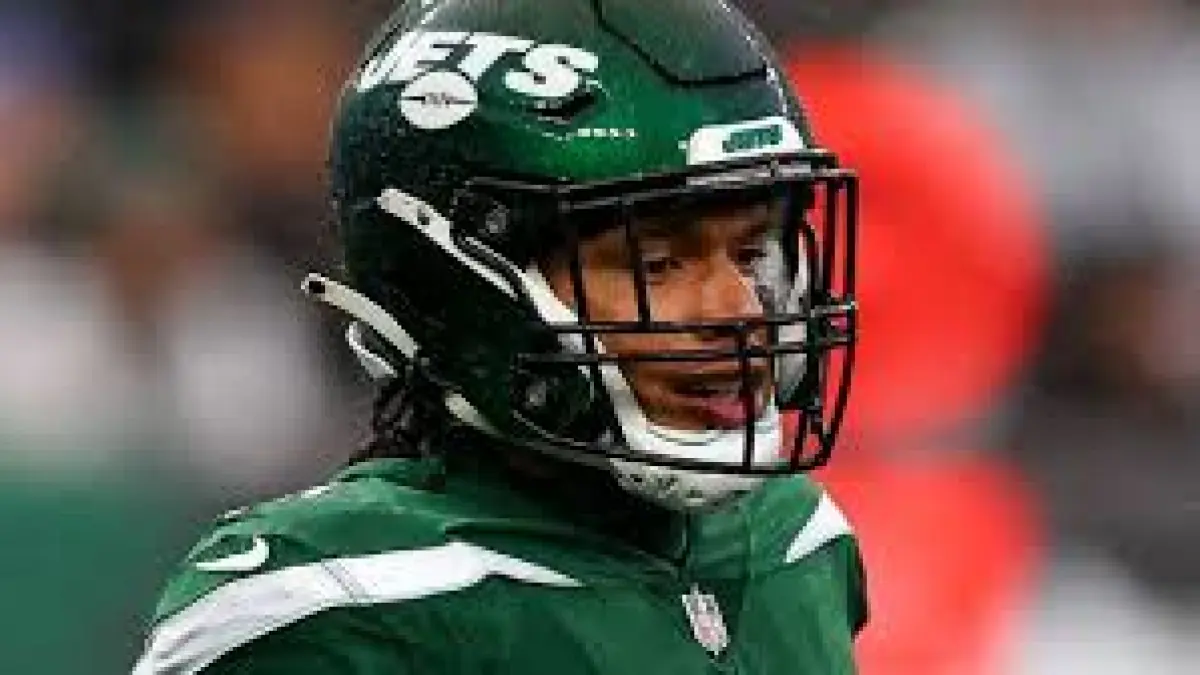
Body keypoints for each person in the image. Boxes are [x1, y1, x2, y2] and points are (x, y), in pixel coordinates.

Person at [132, 0, 865, 672]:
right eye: (656, 265)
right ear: (458, 284)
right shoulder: (332, 603)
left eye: (753, 251)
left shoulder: (796, 540)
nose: (740, 308)